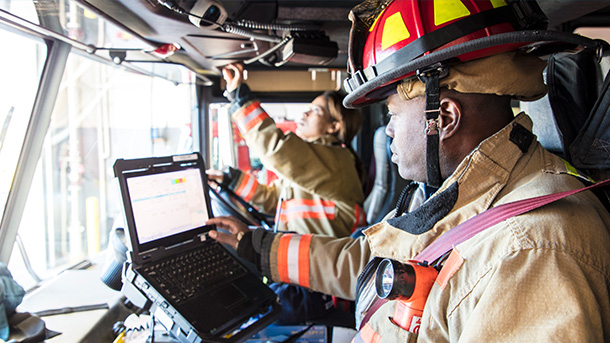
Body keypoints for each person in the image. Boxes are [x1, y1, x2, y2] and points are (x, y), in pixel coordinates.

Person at [208, 0, 610, 341]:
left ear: (445, 117)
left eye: (394, 115)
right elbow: (373, 264)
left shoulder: (532, 252)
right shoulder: (454, 194)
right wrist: (256, 248)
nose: (389, 135)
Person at [208, 63, 367, 238]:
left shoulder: (339, 161)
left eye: (315, 111)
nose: (305, 113)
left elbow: (276, 149)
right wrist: (231, 179)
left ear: (334, 126)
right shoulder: (316, 161)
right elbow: (272, 199)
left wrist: (241, 100)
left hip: (318, 261)